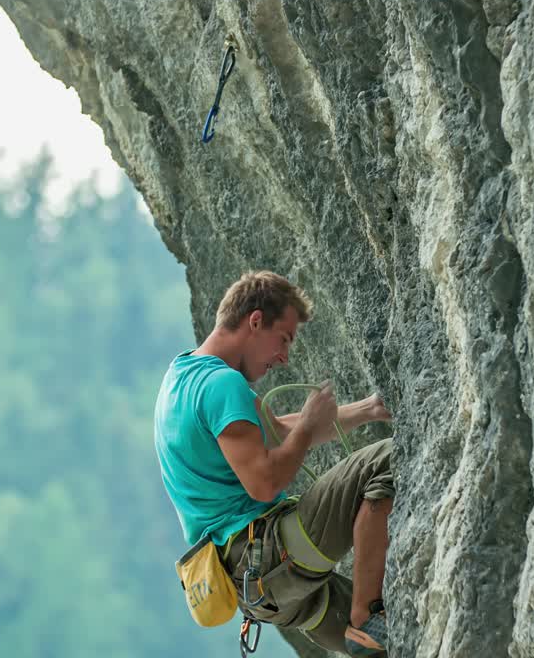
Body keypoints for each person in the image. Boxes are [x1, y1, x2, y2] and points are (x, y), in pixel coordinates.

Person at [154, 270, 394, 655]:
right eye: (283, 339)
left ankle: (367, 630)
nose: (283, 357)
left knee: (394, 645)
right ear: (255, 321)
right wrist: (308, 427)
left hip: (263, 591)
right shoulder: (222, 385)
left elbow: (276, 431)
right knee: (386, 459)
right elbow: (263, 483)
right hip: (271, 555)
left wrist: (366, 410)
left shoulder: (181, 378)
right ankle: (365, 616)